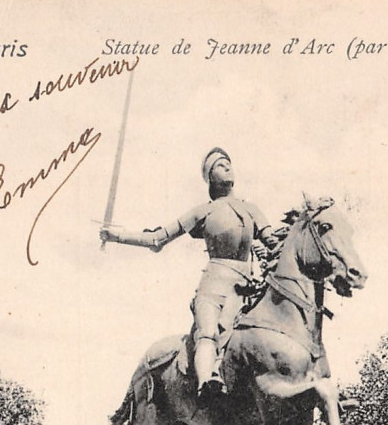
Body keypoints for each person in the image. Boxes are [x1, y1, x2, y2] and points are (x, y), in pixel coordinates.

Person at [100, 148, 278, 399]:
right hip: (214, 286)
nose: (227, 167)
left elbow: (275, 245)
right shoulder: (202, 211)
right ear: (209, 178)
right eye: (219, 165)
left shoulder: (252, 210)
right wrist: (116, 235)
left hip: (248, 288)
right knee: (208, 332)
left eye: (228, 163)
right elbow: (156, 239)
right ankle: (207, 383)